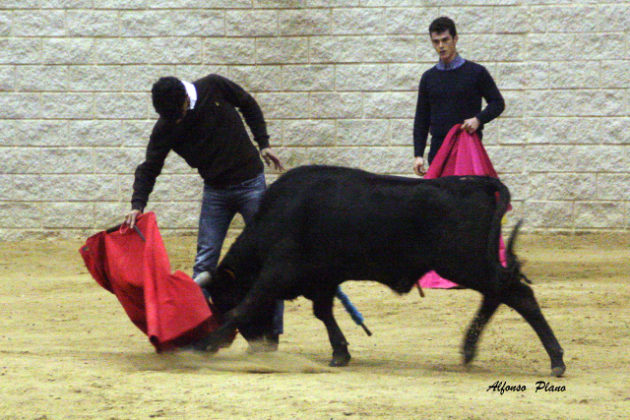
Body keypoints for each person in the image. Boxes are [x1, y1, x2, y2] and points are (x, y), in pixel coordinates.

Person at [123, 73, 285, 347]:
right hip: (216, 192)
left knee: (267, 259)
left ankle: (270, 338)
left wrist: (264, 142)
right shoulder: (167, 125)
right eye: (169, 117)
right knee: (204, 263)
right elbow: (150, 167)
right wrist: (137, 204)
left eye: (177, 115)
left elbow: (248, 104)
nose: (175, 121)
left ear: (186, 99)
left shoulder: (214, 86)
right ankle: (203, 335)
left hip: (251, 185)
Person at [413, 16, 505, 176]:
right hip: (438, 152)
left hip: (467, 150)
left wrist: (478, 119)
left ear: (455, 39)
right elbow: (422, 119)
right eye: (436, 42)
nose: (441, 46)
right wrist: (418, 154)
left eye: (445, 40)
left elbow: (497, 103)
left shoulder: (476, 73)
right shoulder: (428, 78)